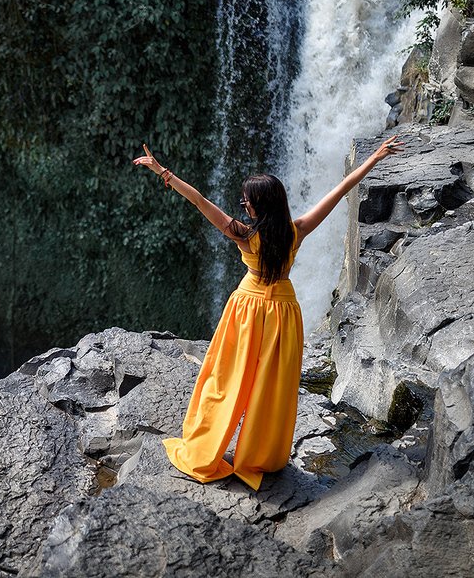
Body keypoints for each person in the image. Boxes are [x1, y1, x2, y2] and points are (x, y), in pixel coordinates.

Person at [132, 135, 404, 489]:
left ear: (259, 206)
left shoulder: (243, 234)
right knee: (270, 389)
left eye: (247, 200)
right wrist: (376, 157)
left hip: (246, 311)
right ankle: (260, 457)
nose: (243, 204)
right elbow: (341, 191)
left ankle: (205, 447)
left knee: (224, 381)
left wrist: (162, 172)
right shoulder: (297, 230)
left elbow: (199, 200)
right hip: (283, 316)